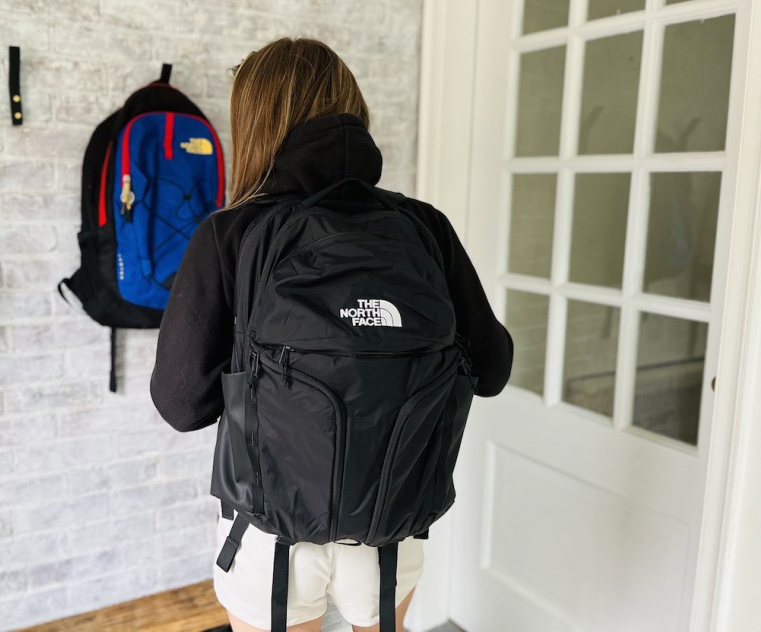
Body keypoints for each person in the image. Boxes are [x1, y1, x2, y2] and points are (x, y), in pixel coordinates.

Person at [151, 37, 513, 632]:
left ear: (255, 124)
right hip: (390, 526)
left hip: (272, 535)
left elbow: (181, 402)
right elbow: (491, 369)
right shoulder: (423, 227)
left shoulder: (231, 234)